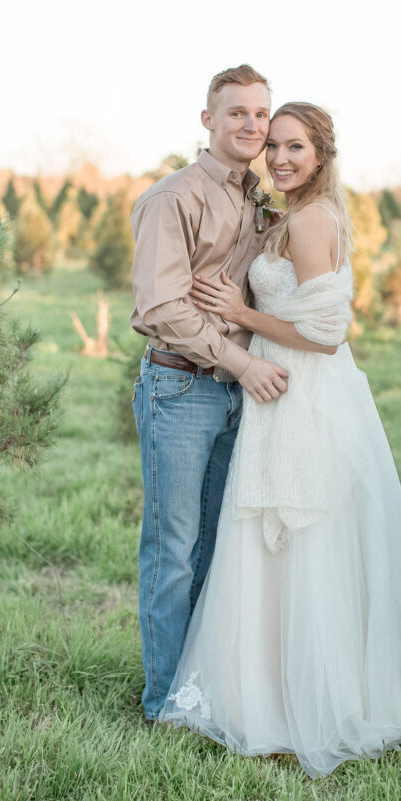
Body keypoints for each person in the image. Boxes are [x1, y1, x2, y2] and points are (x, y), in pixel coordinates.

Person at [160, 102, 401, 777]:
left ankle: (307, 697)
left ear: (321, 157)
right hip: (284, 390)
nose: (280, 158)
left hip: (303, 393)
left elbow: (325, 332)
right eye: (274, 148)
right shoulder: (290, 215)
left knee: (303, 537)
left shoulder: (312, 220)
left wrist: (241, 313)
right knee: (281, 539)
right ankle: (275, 687)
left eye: (295, 149)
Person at [130, 65, 289, 723]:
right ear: (206, 119)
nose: (251, 125)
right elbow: (161, 307)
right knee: (173, 549)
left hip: (235, 395)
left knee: (218, 548)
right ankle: (166, 698)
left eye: (260, 114)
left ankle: (206, 678)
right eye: (236, 113)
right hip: (182, 387)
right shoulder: (174, 198)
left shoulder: (257, 198)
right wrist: (240, 362)